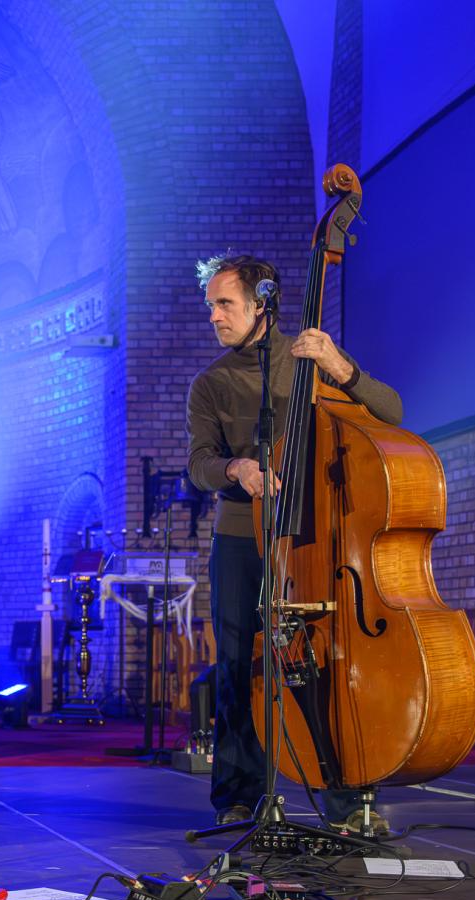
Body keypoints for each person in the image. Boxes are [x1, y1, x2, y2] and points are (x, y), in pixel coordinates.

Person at [186, 254, 403, 835]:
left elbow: (393, 412)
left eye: (224, 303)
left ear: (261, 304)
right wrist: (237, 468)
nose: (214, 315)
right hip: (242, 536)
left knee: (323, 662)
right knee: (238, 663)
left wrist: (342, 367)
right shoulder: (210, 383)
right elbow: (199, 465)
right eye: (211, 305)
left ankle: (345, 796)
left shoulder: (313, 359)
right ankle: (238, 794)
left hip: (316, 538)